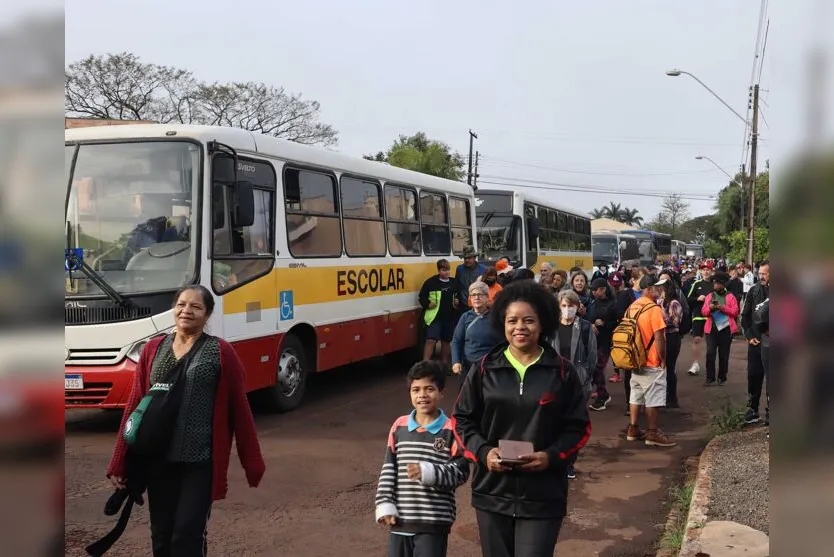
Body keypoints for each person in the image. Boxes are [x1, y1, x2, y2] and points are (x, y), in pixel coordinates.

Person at [106, 286, 265, 557]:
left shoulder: (221, 352)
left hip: (199, 462)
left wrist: (252, 462)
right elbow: (135, 407)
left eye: (196, 307)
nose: (186, 311)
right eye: (181, 305)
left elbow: (240, 409)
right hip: (159, 459)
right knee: (162, 535)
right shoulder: (153, 349)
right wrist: (119, 461)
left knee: (187, 533)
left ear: (208, 314)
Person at [454, 281, 591, 557]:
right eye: (512, 320)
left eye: (529, 320)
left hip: (543, 494)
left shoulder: (561, 372)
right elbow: (461, 421)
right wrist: (484, 453)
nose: (520, 327)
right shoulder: (483, 369)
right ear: (502, 324)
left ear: (542, 324)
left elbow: (578, 428)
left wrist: (551, 456)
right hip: (492, 492)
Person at [375, 361, 470, 557]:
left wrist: (428, 472)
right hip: (400, 521)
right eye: (416, 389)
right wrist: (385, 503)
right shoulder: (399, 426)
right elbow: (388, 468)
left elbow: (461, 472)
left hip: (434, 522)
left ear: (441, 392)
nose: (422, 395)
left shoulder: (452, 429)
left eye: (429, 389)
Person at [625, 275, 676, 447]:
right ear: (648, 289)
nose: (660, 290)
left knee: (636, 393)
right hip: (651, 359)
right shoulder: (653, 309)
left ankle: (633, 428)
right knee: (653, 397)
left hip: (634, 359)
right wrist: (662, 358)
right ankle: (652, 433)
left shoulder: (632, 307)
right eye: (657, 287)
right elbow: (659, 337)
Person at [552, 289, 597, 479]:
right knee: (553, 423)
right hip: (554, 381)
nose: (567, 309)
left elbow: (592, 356)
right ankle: (556, 460)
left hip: (578, 380)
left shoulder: (586, 327)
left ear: (578, 307)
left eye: (571, 305)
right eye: (563, 305)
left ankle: (570, 462)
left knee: (573, 424)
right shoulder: (551, 328)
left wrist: (586, 375)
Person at [451, 281, 503, 381]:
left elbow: (502, 343)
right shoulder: (465, 317)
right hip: (469, 367)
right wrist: (456, 362)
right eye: (473, 295)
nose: (476, 297)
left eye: (480, 294)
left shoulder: (496, 317)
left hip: (490, 367)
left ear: (487, 297)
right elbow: (457, 340)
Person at [741, 261, 769, 423]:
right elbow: (745, 316)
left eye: (764, 273)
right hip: (756, 341)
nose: (761, 276)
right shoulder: (753, 291)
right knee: (754, 375)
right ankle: (752, 408)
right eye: (760, 274)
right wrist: (749, 336)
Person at [418, 259, 463, 364]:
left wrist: (458, 301)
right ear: (439, 270)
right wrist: (428, 304)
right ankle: (425, 364)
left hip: (449, 317)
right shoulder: (430, 282)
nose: (446, 272)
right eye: (443, 270)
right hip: (434, 317)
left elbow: (459, 296)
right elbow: (422, 297)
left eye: (448, 270)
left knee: (446, 342)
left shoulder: (454, 282)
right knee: (430, 340)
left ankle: (444, 364)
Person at [701, 272, 740, 386]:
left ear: (723, 285)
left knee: (724, 355)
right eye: (714, 283)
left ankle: (722, 377)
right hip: (711, 330)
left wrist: (723, 308)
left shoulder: (730, 296)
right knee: (710, 353)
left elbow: (735, 312)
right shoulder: (709, 296)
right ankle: (710, 377)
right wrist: (710, 308)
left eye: (717, 283)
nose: (715, 285)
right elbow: (704, 312)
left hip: (726, 330)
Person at [586, 278, 617, 412]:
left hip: (607, 341)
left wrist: (604, 324)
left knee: (598, 367)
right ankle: (601, 394)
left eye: (595, 290)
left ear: (603, 289)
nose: (593, 292)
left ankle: (603, 396)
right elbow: (588, 317)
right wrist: (591, 323)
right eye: (592, 290)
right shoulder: (593, 302)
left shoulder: (613, 304)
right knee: (594, 367)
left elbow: (618, 322)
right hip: (594, 341)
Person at [686, 261, 715, 376]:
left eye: (708, 269)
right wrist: (698, 298)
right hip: (698, 315)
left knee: (711, 342)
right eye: (703, 269)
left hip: (712, 316)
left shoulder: (715, 284)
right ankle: (695, 364)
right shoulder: (696, 284)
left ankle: (710, 365)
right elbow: (688, 299)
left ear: (712, 271)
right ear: (701, 271)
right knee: (697, 339)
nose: (706, 271)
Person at [659, 278, 684, 408]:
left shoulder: (674, 303)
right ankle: (664, 396)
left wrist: (661, 314)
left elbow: (675, 322)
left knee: (670, 367)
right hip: (662, 337)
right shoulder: (660, 302)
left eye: (661, 288)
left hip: (672, 337)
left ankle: (672, 398)